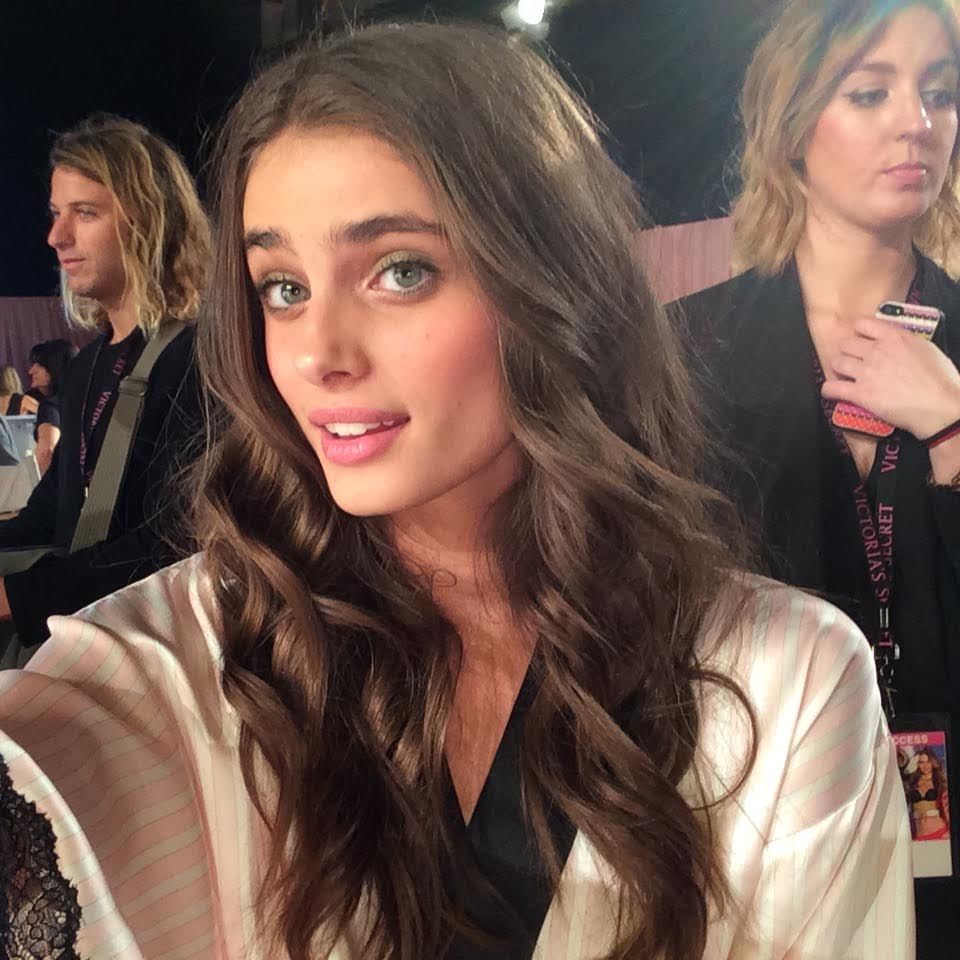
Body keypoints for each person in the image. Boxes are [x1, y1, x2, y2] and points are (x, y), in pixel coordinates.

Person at [0, 24, 912, 960]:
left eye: (402, 271)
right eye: (282, 287)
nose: (317, 355)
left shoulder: (782, 683)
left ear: (554, 279)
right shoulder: (195, 647)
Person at [682, 1, 960, 954]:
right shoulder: (686, 351)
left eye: (940, 94)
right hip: (757, 808)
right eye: (870, 92)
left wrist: (953, 426)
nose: (917, 122)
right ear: (794, 124)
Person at [0, 114, 209, 647]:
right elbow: (53, 512)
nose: (56, 236)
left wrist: (19, 598)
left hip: (154, 646)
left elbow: (177, 543)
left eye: (85, 212)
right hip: (86, 626)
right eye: (56, 214)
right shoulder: (89, 364)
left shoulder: (200, 357)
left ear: (150, 220)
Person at [25, 338, 77, 473]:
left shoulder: (50, 407)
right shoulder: (84, 400)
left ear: (54, 369)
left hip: (61, 482)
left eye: (39, 365)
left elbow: (47, 451)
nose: (31, 371)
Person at [907, 749, 951, 839]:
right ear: (917, 765)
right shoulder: (912, 783)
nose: (925, 766)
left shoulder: (939, 783)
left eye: (928, 762)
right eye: (921, 762)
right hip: (919, 834)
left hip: (939, 832)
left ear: (933, 763)